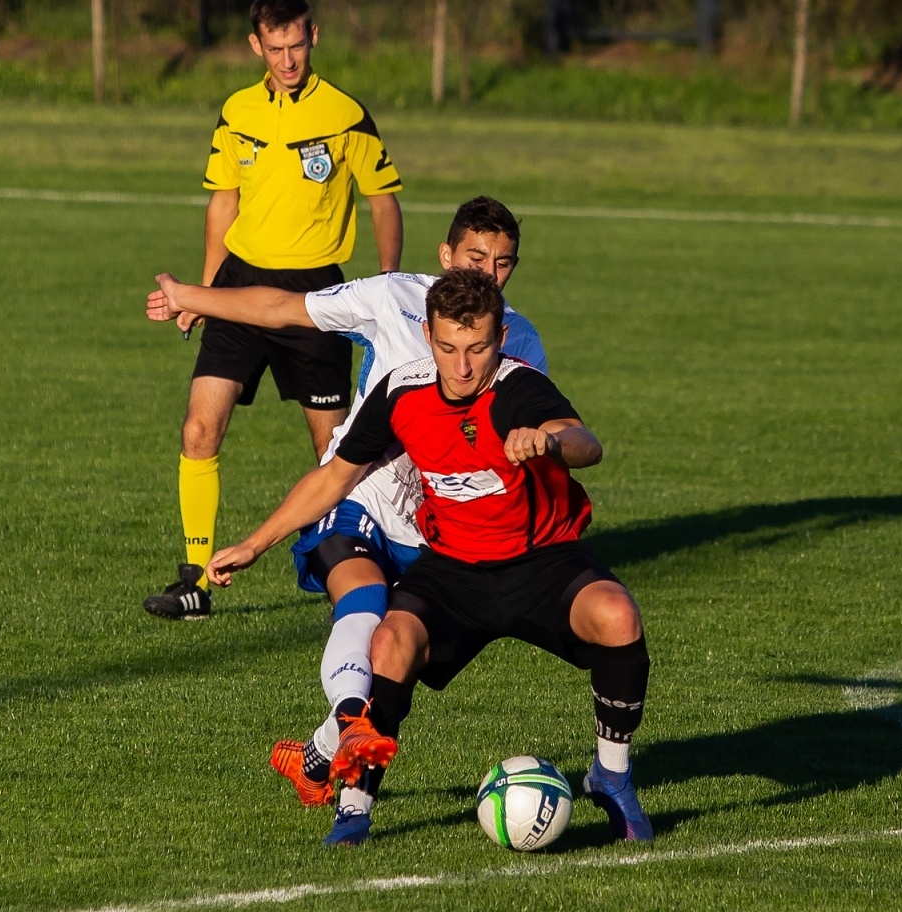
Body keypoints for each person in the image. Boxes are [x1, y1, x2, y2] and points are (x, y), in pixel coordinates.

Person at [206, 269, 655, 847]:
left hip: (540, 562)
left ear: (499, 338)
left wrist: (550, 442)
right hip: (453, 571)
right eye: (447, 347)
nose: (462, 366)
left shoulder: (519, 387)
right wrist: (254, 543)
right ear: (427, 333)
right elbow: (334, 478)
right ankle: (355, 807)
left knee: (617, 615)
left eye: (477, 348)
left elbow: (584, 441)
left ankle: (611, 777)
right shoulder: (401, 390)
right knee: (390, 642)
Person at [147, 197, 544, 815]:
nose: (488, 273)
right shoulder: (393, 298)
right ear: (445, 256)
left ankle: (318, 752)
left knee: (400, 663)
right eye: (475, 257)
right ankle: (353, 808)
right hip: (354, 494)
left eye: (503, 263)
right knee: (360, 601)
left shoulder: (520, 341)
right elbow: (278, 308)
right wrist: (188, 296)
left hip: (437, 527)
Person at [143, 0, 405, 621]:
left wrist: (389, 286)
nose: (288, 60)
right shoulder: (238, 111)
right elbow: (222, 203)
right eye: (275, 47)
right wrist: (203, 295)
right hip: (238, 287)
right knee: (199, 429)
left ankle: (355, 561)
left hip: (316, 296)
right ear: (256, 45)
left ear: (313, 37)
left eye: (297, 46)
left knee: (334, 447)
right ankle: (194, 580)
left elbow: (384, 200)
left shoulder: (345, 115)